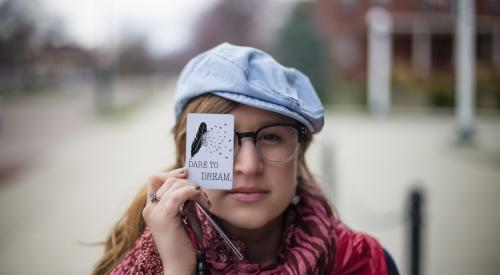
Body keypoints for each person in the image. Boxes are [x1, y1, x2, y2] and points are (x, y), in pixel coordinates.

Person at [92, 43, 399, 274]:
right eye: (220, 139)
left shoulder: (366, 263)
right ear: (184, 156)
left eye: (271, 137)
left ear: (299, 151)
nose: (249, 166)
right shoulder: (138, 260)